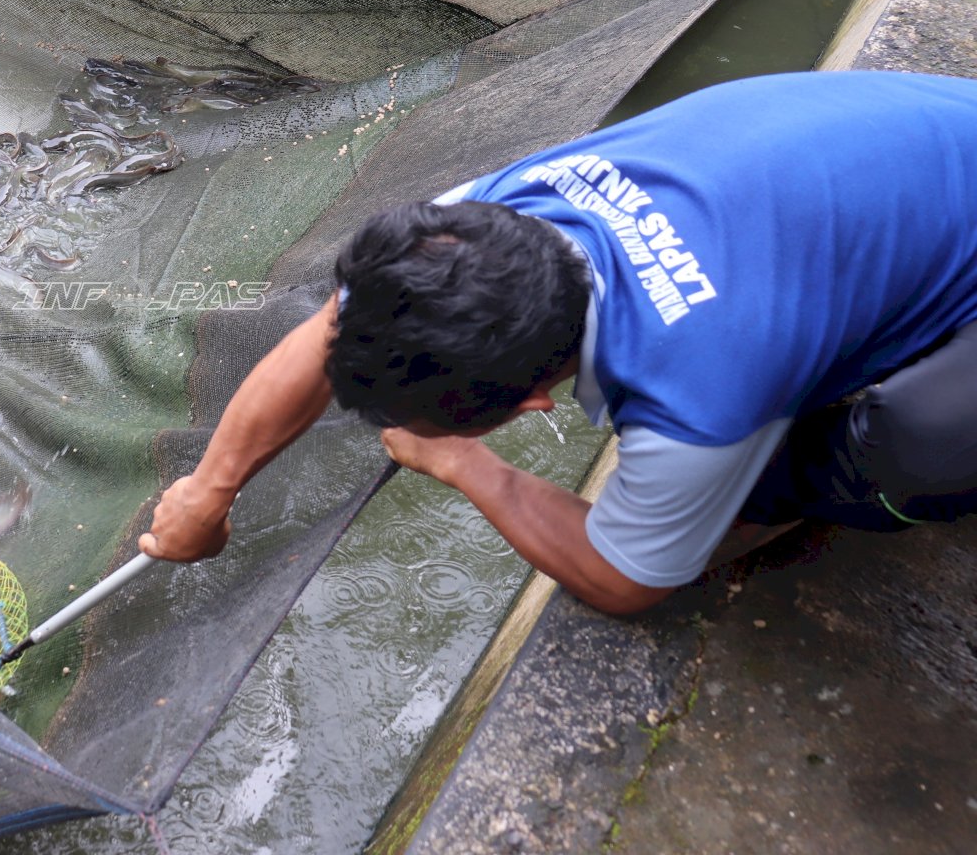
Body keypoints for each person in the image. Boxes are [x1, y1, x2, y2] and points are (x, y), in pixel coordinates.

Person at [138, 70, 977, 615]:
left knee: (914, 450)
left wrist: (466, 465)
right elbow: (332, 327)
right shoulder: (475, 224)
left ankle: (803, 480)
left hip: (898, 213)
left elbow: (629, 579)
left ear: (533, 404)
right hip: (920, 152)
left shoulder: (699, 381)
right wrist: (210, 490)